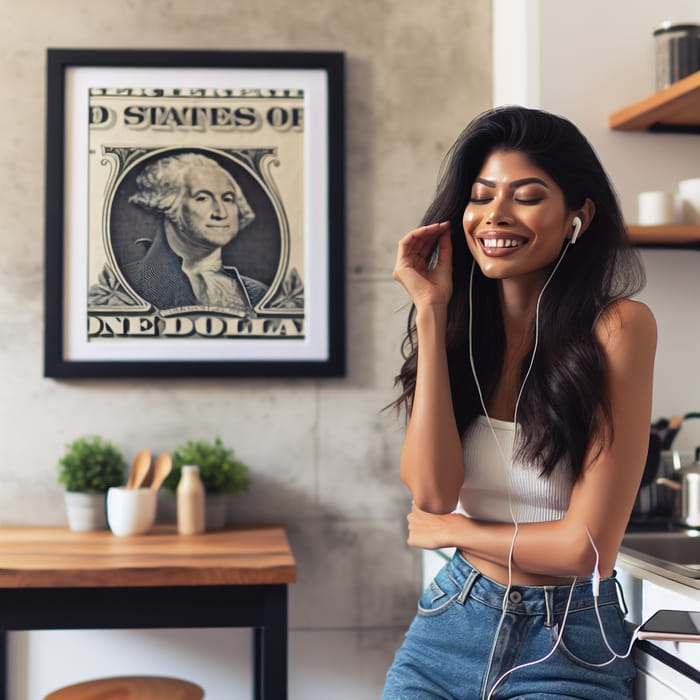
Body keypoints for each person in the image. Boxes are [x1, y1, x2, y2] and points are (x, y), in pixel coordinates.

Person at [382, 106, 657, 699]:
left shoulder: (619, 328)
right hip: (449, 622)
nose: (495, 216)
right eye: (481, 196)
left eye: (527, 196)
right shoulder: (460, 333)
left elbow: (584, 549)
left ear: (576, 218)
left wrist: (457, 529)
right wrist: (430, 312)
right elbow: (430, 494)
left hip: (567, 642)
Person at [123, 152, 268, 313]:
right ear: (167, 204)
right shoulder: (127, 283)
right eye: (202, 198)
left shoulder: (259, 293)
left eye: (228, 198)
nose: (221, 213)